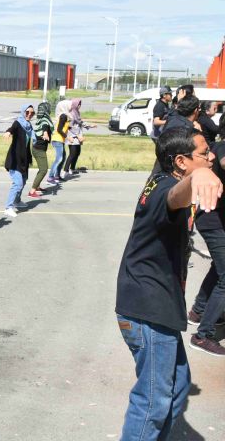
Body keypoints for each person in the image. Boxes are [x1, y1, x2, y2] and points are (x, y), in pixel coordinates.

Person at [115, 126, 222, 439]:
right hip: (148, 310)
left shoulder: (163, 179)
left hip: (156, 306)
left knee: (176, 389)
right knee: (153, 400)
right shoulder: (165, 189)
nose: (210, 157)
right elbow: (174, 197)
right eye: (203, 153)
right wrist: (197, 177)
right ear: (181, 161)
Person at [188, 129, 225, 356]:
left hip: (215, 219)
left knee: (218, 268)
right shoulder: (221, 146)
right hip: (213, 221)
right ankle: (203, 336)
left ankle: (199, 311)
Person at [2, 105, 35, 218]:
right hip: (15, 159)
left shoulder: (29, 126)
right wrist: (8, 132)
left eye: (32, 113)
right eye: (27, 112)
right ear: (23, 112)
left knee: (23, 181)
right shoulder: (18, 123)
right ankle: (8, 207)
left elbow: (28, 143)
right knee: (18, 183)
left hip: (24, 159)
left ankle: (17, 201)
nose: (29, 114)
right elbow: (12, 128)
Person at [30, 102, 52, 197]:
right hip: (39, 150)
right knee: (44, 169)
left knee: (41, 169)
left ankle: (37, 187)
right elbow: (44, 127)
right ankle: (32, 191)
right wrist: (46, 133)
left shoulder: (41, 119)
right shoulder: (44, 121)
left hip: (36, 148)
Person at [48, 99, 70, 184]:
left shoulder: (65, 116)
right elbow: (59, 129)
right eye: (70, 106)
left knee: (63, 157)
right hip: (57, 140)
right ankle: (50, 177)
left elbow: (64, 127)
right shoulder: (63, 116)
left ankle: (57, 176)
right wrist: (67, 137)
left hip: (60, 140)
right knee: (59, 159)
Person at [62, 99, 85, 178]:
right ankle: (65, 171)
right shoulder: (71, 114)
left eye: (80, 104)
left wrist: (89, 126)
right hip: (72, 137)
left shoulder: (77, 113)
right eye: (78, 104)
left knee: (77, 153)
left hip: (78, 137)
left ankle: (72, 168)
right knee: (72, 154)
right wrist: (78, 136)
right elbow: (69, 127)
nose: (79, 106)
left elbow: (80, 123)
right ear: (75, 105)